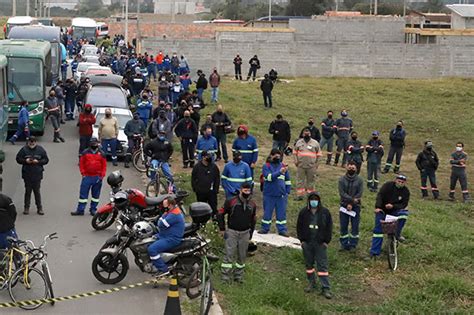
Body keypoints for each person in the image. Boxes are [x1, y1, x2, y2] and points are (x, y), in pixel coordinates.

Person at [218, 183, 257, 283]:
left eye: (248, 191)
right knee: (229, 255)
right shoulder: (231, 201)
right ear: (241, 190)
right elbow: (220, 213)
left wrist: (250, 234)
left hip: (245, 233)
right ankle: (225, 277)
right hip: (232, 232)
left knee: (242, 256)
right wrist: (222, 229)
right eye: (245, 190)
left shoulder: (252, 204)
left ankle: (238, 277)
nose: (247, 192)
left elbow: (253, 220)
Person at [296, 192, 333, 298]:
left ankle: (325, 288)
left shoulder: (325, 212)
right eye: (312, 199)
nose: (314, 202)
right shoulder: (303, 212)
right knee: (309, 265)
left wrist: (326, 241)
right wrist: (302, 241)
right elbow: (299, 226)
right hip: (307, 243)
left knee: (322, 266)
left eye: (316, 199)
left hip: (320, 243)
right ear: (308, 201)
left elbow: (329, 227)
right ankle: (311, 283)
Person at [370, 174, 410, 258]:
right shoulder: (387, 186)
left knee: (404, 215)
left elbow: (404, 204)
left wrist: (393, 206)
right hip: (382, 210)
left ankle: (396, 234)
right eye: (399, 181)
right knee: (378, 231)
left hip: (394, 211)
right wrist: (378, 207)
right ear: (395, 180)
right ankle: (374, 252)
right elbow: (380, 196)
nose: (400, 183)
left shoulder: (406, 191)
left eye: (402, 182)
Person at [147, 196, 185, 276]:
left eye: (165, 207)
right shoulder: (172, 211)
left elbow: (160, 224)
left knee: (152, 249)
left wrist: (161, 217)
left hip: (171, 239)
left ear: (170, 205)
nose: (164, 209)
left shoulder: (174, 214)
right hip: (165, 235)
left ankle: (163, 269)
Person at [259, 149, 291, 236]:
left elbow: (287, 180)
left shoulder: (283, 166)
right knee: (267, 212)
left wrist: (287, 191)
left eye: (279, 156)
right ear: (271, 156)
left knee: (281, 213)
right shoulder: (267, 166)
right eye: (275, 155)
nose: (277, 157)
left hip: (281, 195)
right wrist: (279, 172)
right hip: (269, 194)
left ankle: (282, 229)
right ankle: (265, 228)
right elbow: (269, 177)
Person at [71, 138, 107, 216]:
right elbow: (81, 163)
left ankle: (93, 209)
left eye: (95, 143)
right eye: (92, 144)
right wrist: (83, 173)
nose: (94, 145)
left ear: (97, 144)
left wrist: (102, 176)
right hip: (87, 177)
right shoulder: (85, 152)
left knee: (95, 196)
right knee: (83, 195)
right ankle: (80, 210)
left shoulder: (102, 153)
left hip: (97, 177)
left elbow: (104, 165)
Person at [15, 137, 49, 215]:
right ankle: (26, 208)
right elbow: (18, 159)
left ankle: (39, 208)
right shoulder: (23, 150)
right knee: (28, 191)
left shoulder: (41, 150)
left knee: (37, 192)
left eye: (33, 142)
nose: (32, 144)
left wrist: (38, 161)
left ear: (35, 142)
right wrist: (25, 161)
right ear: (28, 142)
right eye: (30, 142)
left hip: (37, 174)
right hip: (27, 174)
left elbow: (46, 160)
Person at [338, 162, 363, 251]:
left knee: (355, 226)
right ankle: (344, 244)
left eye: (353, 168)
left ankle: (353, 244)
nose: (351, 169)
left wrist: (352, 204)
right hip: (344, 206)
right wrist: (350, 201)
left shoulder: (360, 180)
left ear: (356, 169)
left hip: (356, 206)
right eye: (350, 167)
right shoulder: (341, 179)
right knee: (343, 225)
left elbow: (359, 193)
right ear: (346, 167)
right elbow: (342, 193)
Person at [294, 128, 321, 200]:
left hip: (311, 166)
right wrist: (295, 161)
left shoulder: (315, 143)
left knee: (311, 181)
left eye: (308, 133)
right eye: (305, 133)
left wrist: (317, 164)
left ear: (310, 134)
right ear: (302, 134)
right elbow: (295, 153)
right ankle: (300, 195)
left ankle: (310, 195)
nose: (306, 134)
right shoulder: (299, 142)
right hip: (301, 165)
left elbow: (319, 154)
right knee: (300, 181)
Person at [192, 150, 220, 216]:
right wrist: (196, 189)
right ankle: (202, 224)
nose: (209, 157)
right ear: (203, 157)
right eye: (207, 156)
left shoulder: (214, 167)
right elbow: (193, 179)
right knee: (201, 210)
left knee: (214, 209)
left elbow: (217, 178)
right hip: (201, 192)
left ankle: (214, 223)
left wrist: (216, 189)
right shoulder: (197, 167)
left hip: (211, 193)